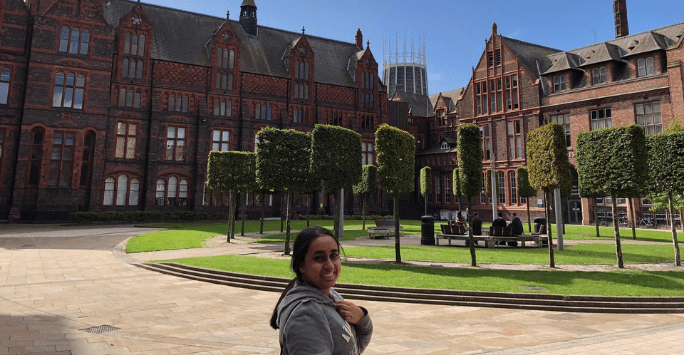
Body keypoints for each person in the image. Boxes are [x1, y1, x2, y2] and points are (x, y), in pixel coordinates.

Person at [270, 226, 373, 354]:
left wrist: (362, 318)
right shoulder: (305, 315)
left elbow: (354, 348)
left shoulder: (330, 295)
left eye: (334, 255)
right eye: (319, 258)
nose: (329, 265)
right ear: (301, 265)